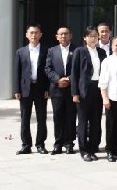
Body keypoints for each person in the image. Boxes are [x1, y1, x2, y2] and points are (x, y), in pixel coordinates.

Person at [70, 26, 105, 162]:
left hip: (98, 88)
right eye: (90, 36)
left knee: (96, 120)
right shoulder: (79, 51)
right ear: (85, 38)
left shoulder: (101, 52)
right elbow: (74, 73)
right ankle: (84, 150)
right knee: (83, 121)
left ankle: (92, 148)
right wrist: (75, 93)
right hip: (84, 90)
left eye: (95, 35)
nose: (93, 38)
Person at [14, 24, 49, 155]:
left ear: (41, 35)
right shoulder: (20, 52)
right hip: (25, 89)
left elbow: (48, 71)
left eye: (36, 32)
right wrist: (17, 90)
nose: (34, 35)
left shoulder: (47, 51)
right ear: (27, 35)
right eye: (31, 33)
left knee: (42, 118)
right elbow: (17, 71)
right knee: (25, 118)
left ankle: (40, 144)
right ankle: (26, 145)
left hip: (41, 88)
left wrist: (47, 88)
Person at [44, 26, 76, 155]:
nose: (63, 36)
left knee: (70, 116)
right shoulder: (52, 51)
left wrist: (68, 79)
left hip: (71, 89)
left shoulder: (77, 50)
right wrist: (58, 80)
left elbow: (79, 68)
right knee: (57, 117)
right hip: (57, 89)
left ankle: (69, 143)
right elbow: (48, 68)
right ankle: (58, 144)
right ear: (57, 37)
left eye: (66, 34)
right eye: (61, 34)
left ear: (70, 36)